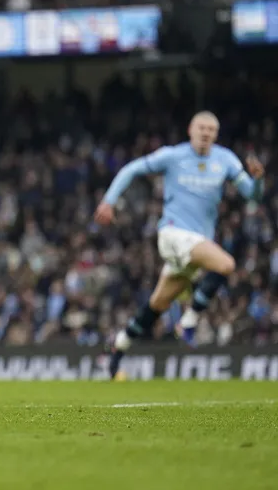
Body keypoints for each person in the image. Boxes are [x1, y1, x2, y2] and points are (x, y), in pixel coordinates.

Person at [95, 111, 264, 379]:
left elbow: (253, 196)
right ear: (190, 130)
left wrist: (258, 180)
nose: (205, 133)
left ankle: (118, 347)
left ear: (216, 134)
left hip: (196, 245)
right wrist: (109, 201)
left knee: (157, 304)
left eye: (211, 129)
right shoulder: (173, 156)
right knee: (226, 265)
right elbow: (131, 169)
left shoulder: (226, 160)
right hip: (173, 234)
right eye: (201, 128)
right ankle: (189, 321)